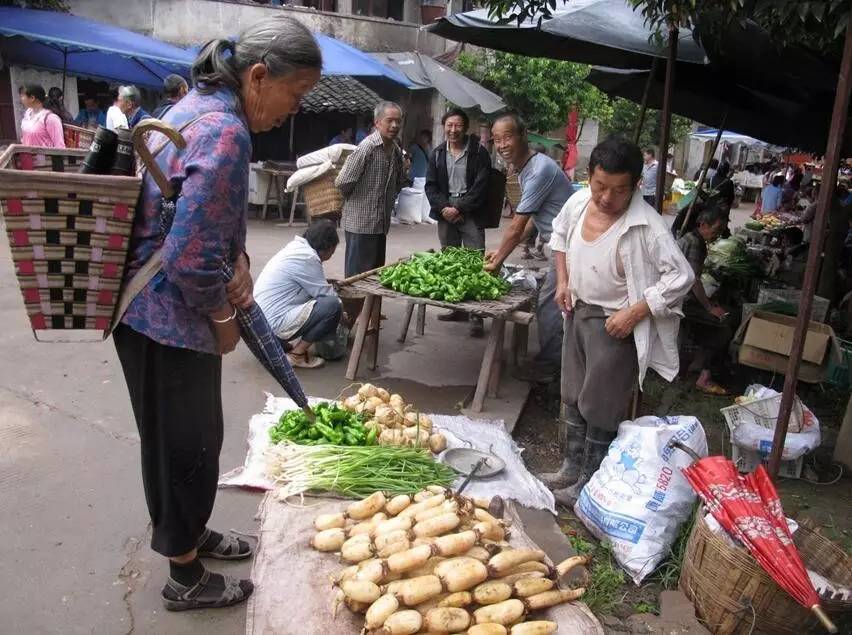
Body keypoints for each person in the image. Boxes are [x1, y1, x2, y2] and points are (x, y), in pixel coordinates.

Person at [113, 16, 321, 611]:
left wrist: (242, 259)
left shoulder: (195, 106)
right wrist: (226, 325)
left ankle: (193, 535)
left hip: (152, 315)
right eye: (296, 95)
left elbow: (203, 215)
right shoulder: (227, 132)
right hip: (165, 318)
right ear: (259, 76)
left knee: (194, 436)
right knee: (183, 444)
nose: (294, 111)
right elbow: (190, 257)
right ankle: (184, 577)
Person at [538, 136, 694, 505]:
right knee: (573, 392)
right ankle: (569, 467)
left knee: (601, 403)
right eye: (600, 186)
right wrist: (563, 280)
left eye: (619, 190)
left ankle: (588, 481)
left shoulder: (648, 225)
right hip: (576, 310)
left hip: (614, 323)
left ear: (636, 185)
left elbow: (681, 277)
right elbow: (559, 236)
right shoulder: (579, 202)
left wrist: (635, 312)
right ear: (589, 177)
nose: (607, 198)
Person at [484, 112, 574, 381]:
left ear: (523, 136)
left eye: (507, 137)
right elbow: (533, 221)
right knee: (554, 302)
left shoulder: (539, 170)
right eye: (497, 140)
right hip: (561, 245)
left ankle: (549, 368)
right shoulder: (527, 170)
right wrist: (500, 252)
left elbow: (515, 225)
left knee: (549, 302)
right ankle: (557, 361)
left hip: (570, 248)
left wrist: (498, 260)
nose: (501, 145)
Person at [425, 108, 493, 337]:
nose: (453, 130)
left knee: (475, 261)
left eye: (458, 126)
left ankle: (476, 315)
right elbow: (431, 186)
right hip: (446, 211)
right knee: (450, 259)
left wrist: (460, 208)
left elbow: (482, 187)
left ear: (465, 128)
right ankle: (457, 308)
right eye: (449, 125)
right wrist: (445, 208)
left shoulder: (478, 153)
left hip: (470, 210)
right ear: (444, 127)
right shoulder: (437, 154)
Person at [254, 219, 342, 369]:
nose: (331, 256)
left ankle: (281, 345)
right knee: (333, 306)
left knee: (321, 302)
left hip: (258, 323)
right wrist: (343, 315)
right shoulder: (308, 258)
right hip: (273, 323)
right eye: (332, 252)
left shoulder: (296, 248)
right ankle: (297, 355)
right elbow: (328, 296)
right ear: (326, 248)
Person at [335, 101, 406, 277]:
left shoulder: (396, 150)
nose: (394, 125)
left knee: (374, 274)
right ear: (377, 123)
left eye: (398, 121)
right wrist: (358, 202)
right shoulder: (367, 148)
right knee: (356, 278)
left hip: (380, 224)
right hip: (361, 223)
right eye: (389, 120)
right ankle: (353, 306)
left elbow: (398, 182)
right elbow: (342, 181)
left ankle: (371, 306)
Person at [676, 206, 731, 395]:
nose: (716, 236)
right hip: (678, 300)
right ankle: (703, 375)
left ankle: (697, 364)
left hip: (682, 296)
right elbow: (693, 279)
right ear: (703, 225)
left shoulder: (693, 239)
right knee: (722, 327)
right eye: (715, 231)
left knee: (716, 315)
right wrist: (708, 307)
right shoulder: (694, 243)